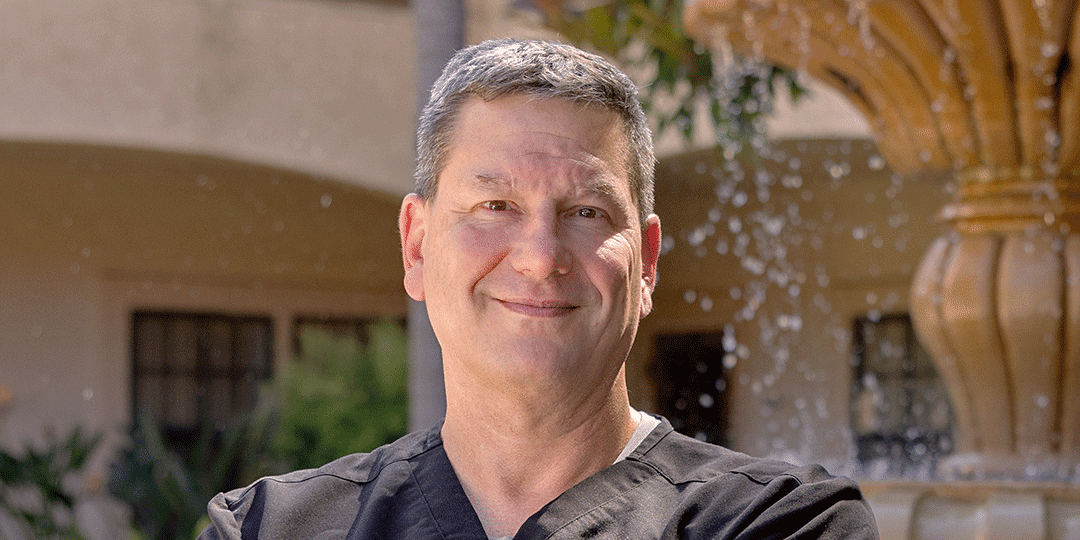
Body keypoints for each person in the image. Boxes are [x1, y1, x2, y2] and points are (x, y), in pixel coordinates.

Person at [198, 38, 879, 540]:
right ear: (417, 244)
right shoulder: (271, 528)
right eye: (495, 207)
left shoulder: (777, 525)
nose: (541, 257)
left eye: (586, 212)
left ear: (646, 262)